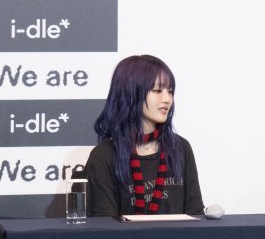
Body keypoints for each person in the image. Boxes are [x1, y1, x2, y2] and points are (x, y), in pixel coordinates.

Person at [84, 54, 204, 217]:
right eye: (157, 90)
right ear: (131, 93)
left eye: (170, 91)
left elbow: (195, 214)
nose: (167, 99)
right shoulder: (104, 155)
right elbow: (105, 225)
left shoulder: (181, 147)